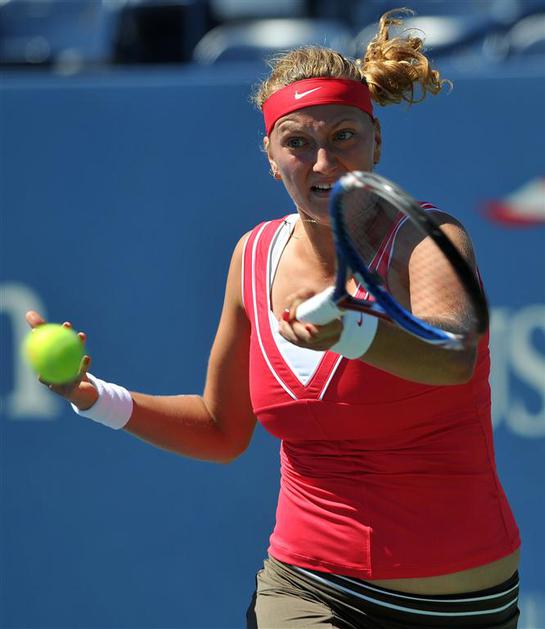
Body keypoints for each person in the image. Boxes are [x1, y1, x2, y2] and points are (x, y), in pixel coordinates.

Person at [26, 9, 521, 629]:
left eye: (343, 136)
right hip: (307, 585)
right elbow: (220, 429)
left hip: (460, 598)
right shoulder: (253, 256)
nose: (323, 162)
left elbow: (454, 357)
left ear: (376, 141)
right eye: (298, 143)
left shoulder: (429, 239)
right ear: (270, 155)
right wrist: (92, 396)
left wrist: (354, 333)